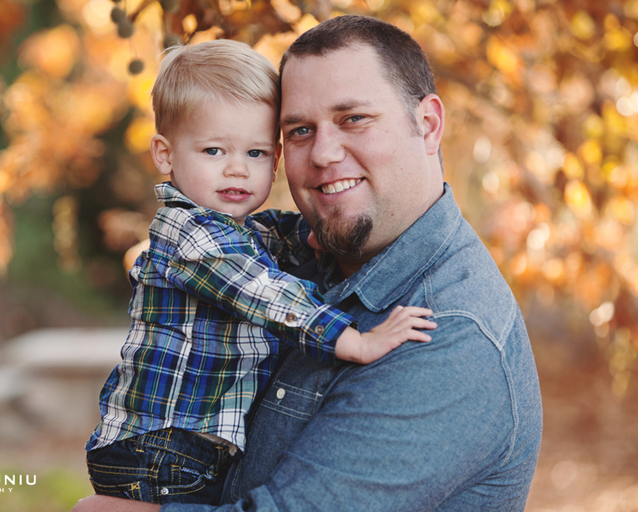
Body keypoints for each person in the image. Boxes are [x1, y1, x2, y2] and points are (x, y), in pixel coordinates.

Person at [73, 14, 543, 512]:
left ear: (427, 125)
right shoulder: (308, 258)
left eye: (353, 118)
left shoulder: (447, 332)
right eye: (299, 130)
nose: (323, 154)